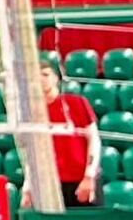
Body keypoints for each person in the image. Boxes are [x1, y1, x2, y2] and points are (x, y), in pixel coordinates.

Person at [32, 62, 102, 209]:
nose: (41, 79)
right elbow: (32, 152)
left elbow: (94, 139)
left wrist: (89, 176)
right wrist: (28, 187)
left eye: (45, 74)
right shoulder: (35, 113)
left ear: (56, 78)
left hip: (81, 180)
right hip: (52, 183)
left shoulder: (76, 103)